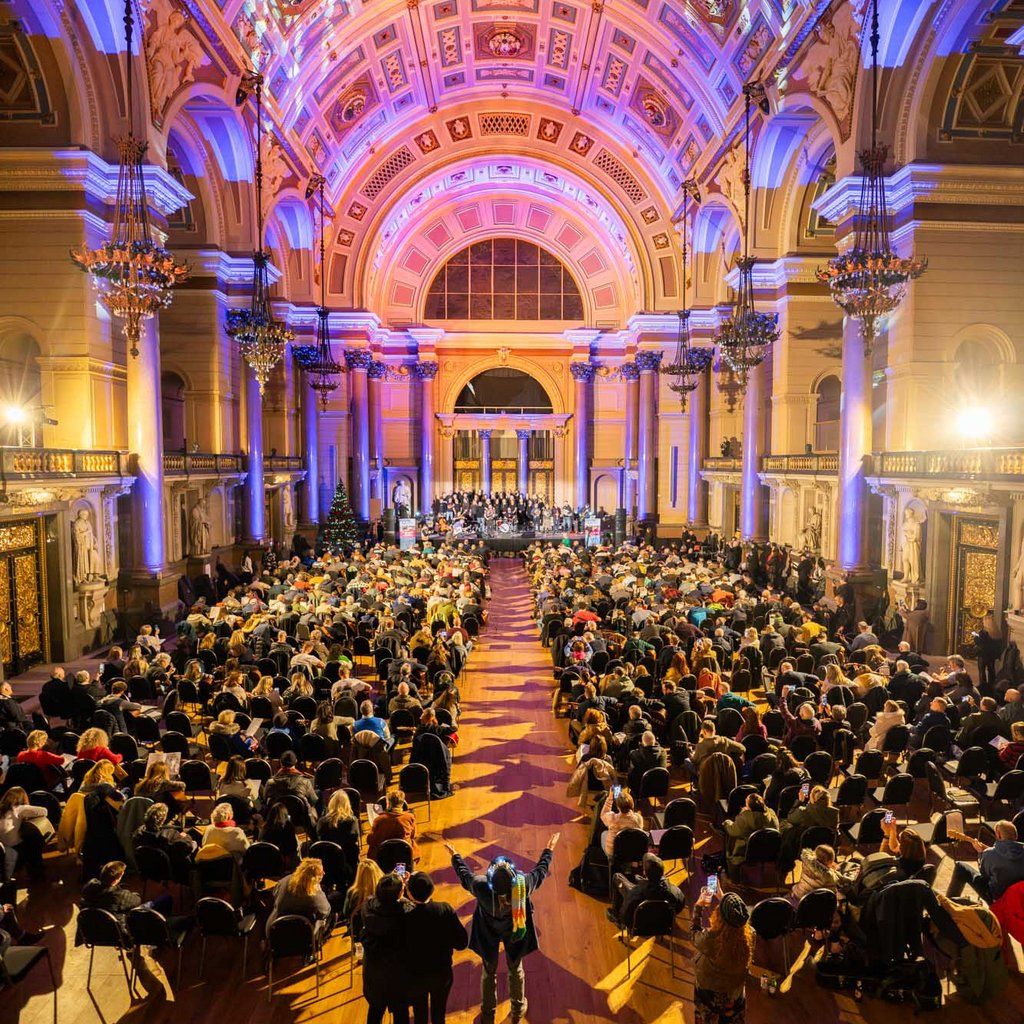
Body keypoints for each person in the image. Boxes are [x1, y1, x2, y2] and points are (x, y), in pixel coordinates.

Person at [445, 832, 559, 1024]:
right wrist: (549, 849)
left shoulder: (481, 886)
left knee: (488, 972)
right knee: (516, 969)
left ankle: (488, 1015)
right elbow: (540, 871)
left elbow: (464, 875)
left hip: (488, 933)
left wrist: (455, 856)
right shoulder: (522, 885)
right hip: (516, 932)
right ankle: (517, 1009)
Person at [406, 870, 469, 1024]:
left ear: (410, 893)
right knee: (438, 1013)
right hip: (441, 973)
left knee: (419, 1013)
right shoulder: (444, 910)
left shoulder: (405, 914)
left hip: (416, 975)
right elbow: (461, 943)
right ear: (432, 889)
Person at [692, 890, 753, 1024]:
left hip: (709, 992)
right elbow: (734, 917)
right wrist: (722, 896)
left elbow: (694, 935)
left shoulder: (710, 939)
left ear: (719, 916)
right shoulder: (750, 936)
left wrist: (698, 907)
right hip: (734, 992)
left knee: (707, 1017)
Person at [362, 872, 412, 1024]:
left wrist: (396, 885)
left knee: (375, 1011)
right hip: (398, 973)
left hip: (374, 972)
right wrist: (405, 892)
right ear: (400, 893)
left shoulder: (368, 907)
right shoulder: (406, 912)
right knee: (401, 1013)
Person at [946, 820, 1024, 903]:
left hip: (998, 899)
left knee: (960, 866)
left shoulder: (990, 854)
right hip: (1020, 897)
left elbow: (984, 876)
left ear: (998, 834)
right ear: (1016, 836)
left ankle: (948, 904)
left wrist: (980, 853)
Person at [608, 852, 685, 929]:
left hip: (639, 926)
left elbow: (624, 916)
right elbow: (679, 906)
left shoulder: (635, 894)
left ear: (644, 872)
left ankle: (615, 916)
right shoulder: (676, 892)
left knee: (617, 876)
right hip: (662, 926)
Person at [266, 857, 331, 931]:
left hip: (275, 929)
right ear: (313, 878)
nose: (324, 873)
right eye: (321, 872)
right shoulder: (314, 893)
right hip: (301, 934)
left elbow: (274, 894)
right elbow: (325, 911)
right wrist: (320, 891)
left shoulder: (284, 880)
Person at [0, 788, 47, 879]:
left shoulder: (1, 808)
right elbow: (44, 811)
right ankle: (36, 873)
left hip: (2, 848)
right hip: (15, 847)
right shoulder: (19, 808)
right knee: (34, 839)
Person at [366, 789, 418, 862]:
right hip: (404, 857)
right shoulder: (410, 817)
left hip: (383, 859)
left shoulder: (379, 820)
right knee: (400, 871)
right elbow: (414, 836)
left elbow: (370, 840)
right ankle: (401, 872)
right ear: (402, 803)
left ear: (388, 803)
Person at [598, 788, 645, 857]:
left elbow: (603, 814)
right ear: (632, 804)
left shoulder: (612, 818)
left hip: (614, 853)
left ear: (618, 807)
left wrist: (610, 797)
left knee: (604, 834)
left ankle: (610, 861)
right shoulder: (638, 818)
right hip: (631, 851)